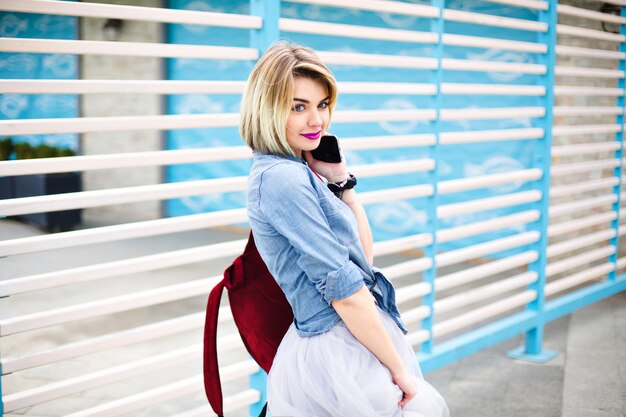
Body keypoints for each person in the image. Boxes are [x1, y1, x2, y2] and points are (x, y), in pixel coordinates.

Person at [241, 40, 449, 417]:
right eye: (298, 107)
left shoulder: (300, 172)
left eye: (322, 105)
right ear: (267, 109)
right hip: (336, 348)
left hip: (354, 339)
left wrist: (341, 183)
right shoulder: (279, 179)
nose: (317, 121)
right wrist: (400, 372)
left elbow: (362, 262)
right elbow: (345, 290)